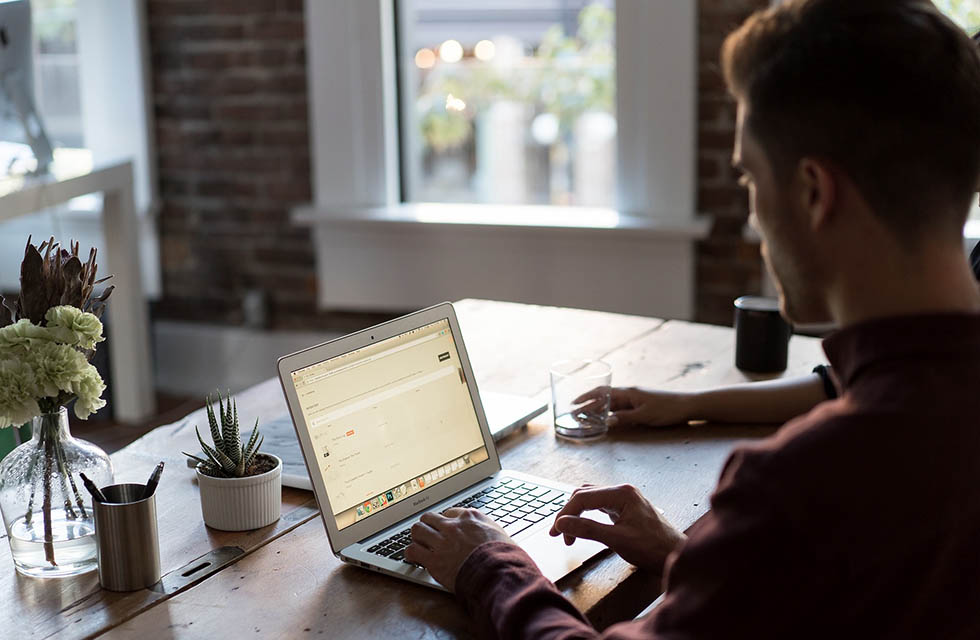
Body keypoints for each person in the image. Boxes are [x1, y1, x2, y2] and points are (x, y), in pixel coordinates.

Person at [404, 1, 980, 637]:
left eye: (751, 181)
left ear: (815, 193)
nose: (757, 224)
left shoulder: (805, 484)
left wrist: (489, 565)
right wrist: (696, 559)